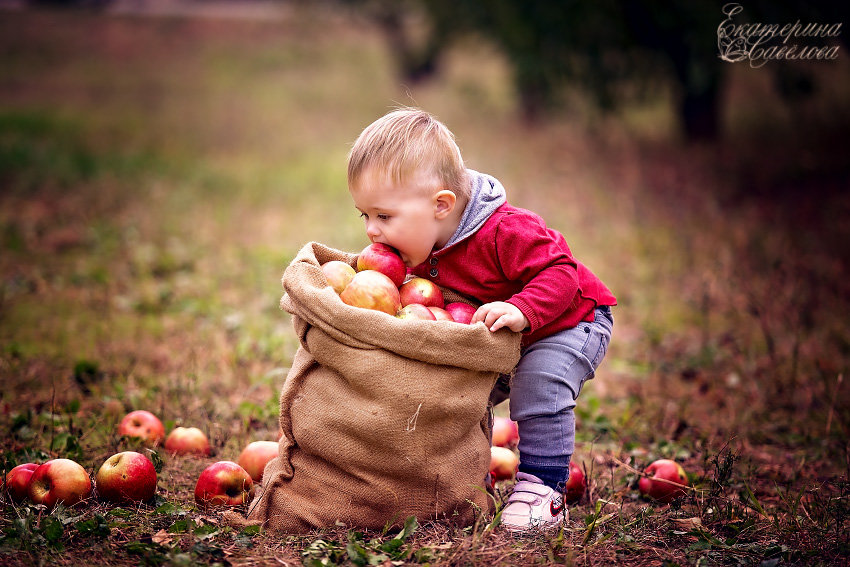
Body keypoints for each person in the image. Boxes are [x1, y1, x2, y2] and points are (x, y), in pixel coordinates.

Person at [346, 107, 616, 532]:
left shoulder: (506, 230)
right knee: (456, 389)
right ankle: (461, 476)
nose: (371, 232)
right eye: (365, 216)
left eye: (384, 216)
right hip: (503, 334)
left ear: (441, 205)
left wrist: (523, 309)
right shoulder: (423, 243)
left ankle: (543, 489)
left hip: (570, 321)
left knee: (538, 381)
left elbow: (562, 271)